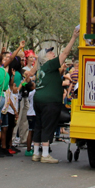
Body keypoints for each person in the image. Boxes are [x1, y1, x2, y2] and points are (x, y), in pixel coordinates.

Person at [33, 27, 80, 164]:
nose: (52, 54)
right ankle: (46, 154)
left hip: (39, 99)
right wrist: (73, 38)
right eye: (49, 53)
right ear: (44, 57)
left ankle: (36, 153)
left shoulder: (41, 69)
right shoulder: (49, 65)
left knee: (39, 125)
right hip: (50, 101)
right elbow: (65, 54)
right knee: (48, 126)